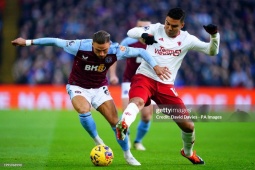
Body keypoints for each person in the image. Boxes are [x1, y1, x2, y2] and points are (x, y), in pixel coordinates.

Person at [11, 30, 170, 166]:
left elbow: (142, 52)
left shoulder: (116, 49)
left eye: (104, 50)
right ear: (92, 44)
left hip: (100, 89)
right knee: (83, 109)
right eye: (98, 50)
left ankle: (128, 154)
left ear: (109, 45)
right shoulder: (79, 46)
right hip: (78, 86)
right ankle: (98, 141)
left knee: (117, 124)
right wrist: (27, 42)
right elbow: (55, 41)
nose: (102, 54)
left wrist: (155, 66)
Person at [116, 7, 220, 165]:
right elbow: (131, 32)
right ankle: (123, 124)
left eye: (174, 26)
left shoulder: (187, 39)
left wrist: (214, 36)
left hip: (166, 86)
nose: (169, 28)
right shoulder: (156, 28)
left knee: (189, 126)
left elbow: (211, 51)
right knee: (137, 102)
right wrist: (144, 35)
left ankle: (188, 152)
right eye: (167, 23)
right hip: (145, 77)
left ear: (182, 25)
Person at [119, 18, 154, 151]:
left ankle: (138, 141)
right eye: (141, 27)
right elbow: (115, 55)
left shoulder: (156, 43)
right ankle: (126, 139)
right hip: (129, 80)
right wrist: (112, 75)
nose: (144, 30)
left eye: (146, 27)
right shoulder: (128, 42)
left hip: (146, 81)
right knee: (126, 112)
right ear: (136, 28)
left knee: (146, 116)